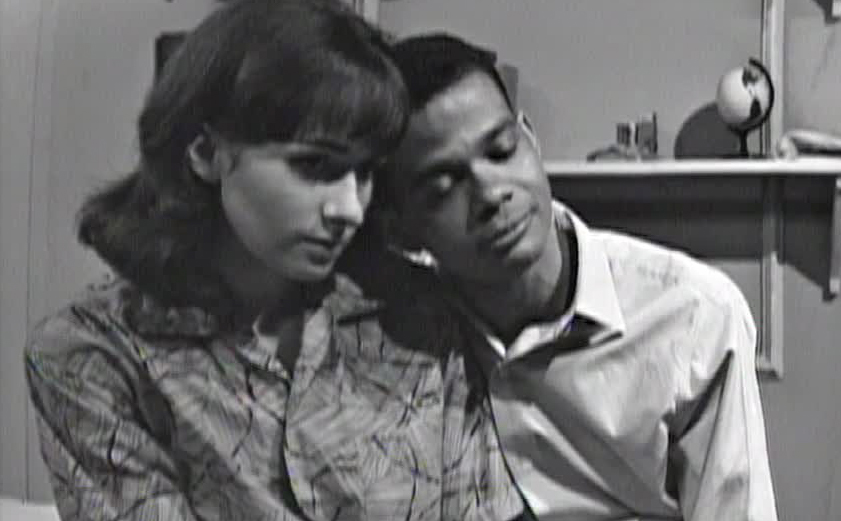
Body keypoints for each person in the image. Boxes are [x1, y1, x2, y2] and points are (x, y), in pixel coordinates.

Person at [24, 5, 524, 520]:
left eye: (365, 173)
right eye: (315, 165)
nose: (349, 209)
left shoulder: (417, 315)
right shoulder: (96, 354)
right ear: (206, 152)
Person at [365, 32, 780, 520]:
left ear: (531, 138)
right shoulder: (399, 333)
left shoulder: (695, 317)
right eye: (443, 187)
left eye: (502, 151)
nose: (491, 194)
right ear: (400, 227)